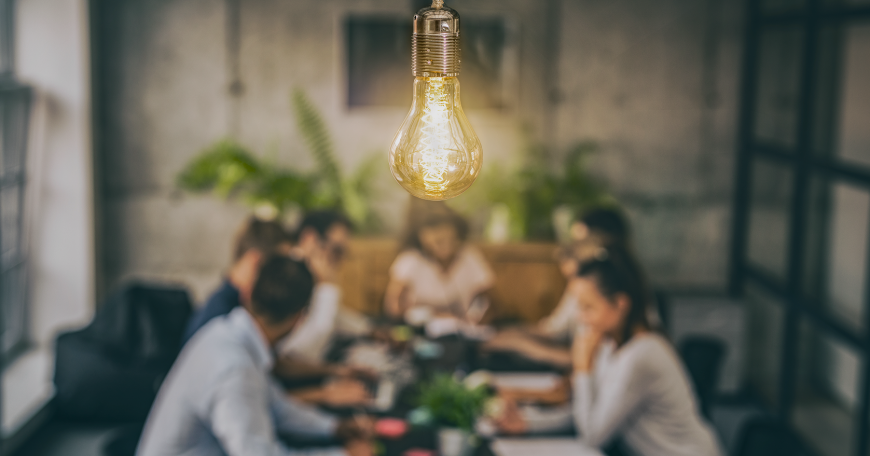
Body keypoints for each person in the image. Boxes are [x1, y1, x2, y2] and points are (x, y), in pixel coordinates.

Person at [137, 256, 373, 456]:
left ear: (249, 293)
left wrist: (333, 427)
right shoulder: (234, 369)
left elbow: (276, 405)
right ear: (300, 318)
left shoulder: (226, 333)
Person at [569, 245, 723, 455]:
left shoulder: (642, 355)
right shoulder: (611, 344)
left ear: (620, 304)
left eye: (588, 307)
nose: (580, 317)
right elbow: (588, 411)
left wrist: (582, 370)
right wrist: (527, 424)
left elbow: (593, 436)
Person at [384, 198, 494, 324]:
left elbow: (492, 302)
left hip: (461, 329)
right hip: (420, 328)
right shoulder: (411, 259)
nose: (444, 247)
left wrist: (477, 321)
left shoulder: (469, 256)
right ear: (423, 240)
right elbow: (393, 305)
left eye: (450, 240)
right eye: (438, 242)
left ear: (457, 235)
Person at [182, 217, 291, 344]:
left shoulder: (225, 307)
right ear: (254, 262)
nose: (283, 277)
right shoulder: (224, 319)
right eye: (278, 267)